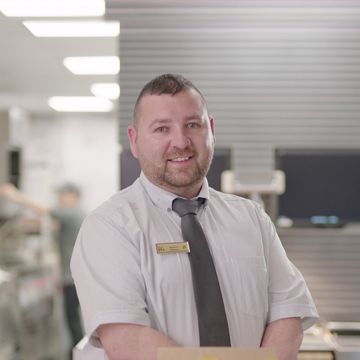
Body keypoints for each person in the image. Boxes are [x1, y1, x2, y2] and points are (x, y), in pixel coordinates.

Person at [70, 74, 319, 360]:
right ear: (135, 141)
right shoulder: (109, 227)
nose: (181, 141)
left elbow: (288, 312)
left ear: (211, 129)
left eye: (192, 125)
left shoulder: (251, 218)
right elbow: (128, 343)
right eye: (162, 129)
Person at [0, 182, 84, 358]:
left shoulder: (72, 212)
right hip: (73, 278)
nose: (59, 199)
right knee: (72, 320)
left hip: (72, 279)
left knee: (73, 321)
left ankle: (78, 355)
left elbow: (44, 209)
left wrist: (14, 195)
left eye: (62, 195)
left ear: (73, 196)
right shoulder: (77, 215)